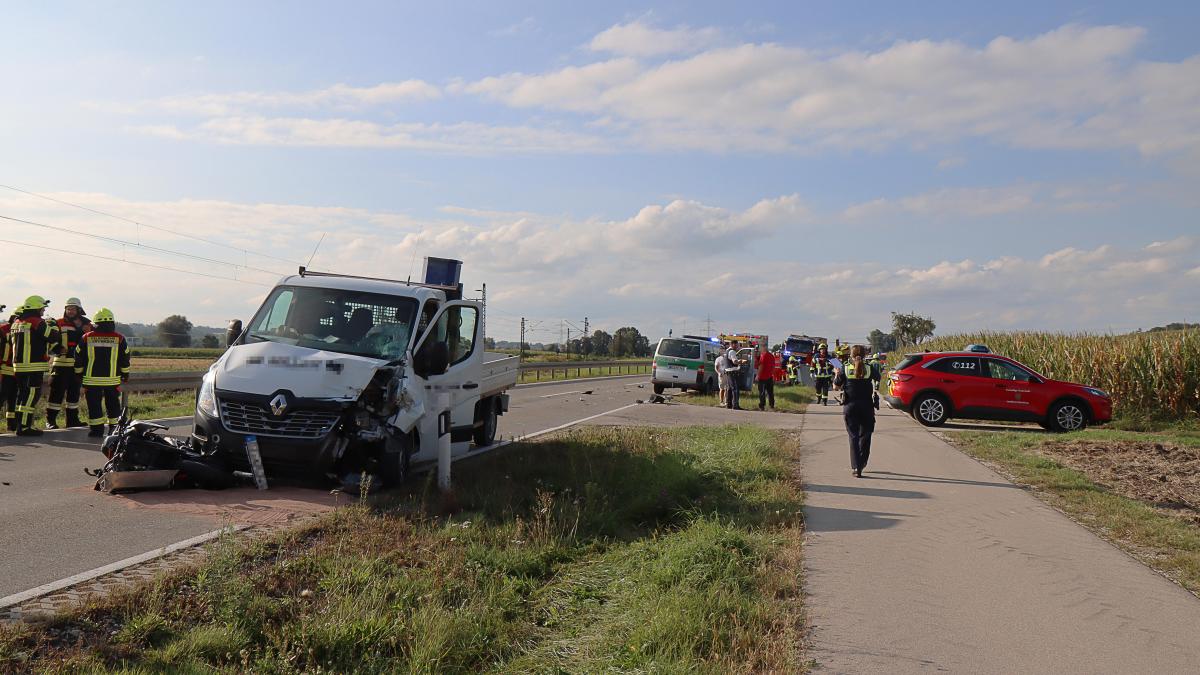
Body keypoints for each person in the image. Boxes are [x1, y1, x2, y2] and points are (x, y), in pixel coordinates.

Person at [74, 308, 131, 437]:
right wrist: (125, 374)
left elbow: (78, 357)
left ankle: (97, 430)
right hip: (112, 380)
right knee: (113, 406)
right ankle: (115, 431)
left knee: (94, 406)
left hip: (91, 380)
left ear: (95, 323)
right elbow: (125, 358)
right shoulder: (119, 338)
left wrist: (78, 374)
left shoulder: (87, 337)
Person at [9, 296, 60, 436]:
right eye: (42, 308)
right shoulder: (37, 322)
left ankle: (20, 424)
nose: (43, 311)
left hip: (18, 367)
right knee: (30, 396)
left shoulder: (16, 323)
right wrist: (53, 325)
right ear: (37, 308)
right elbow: (53, 336)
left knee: (22, 397)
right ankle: (25, 427)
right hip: (33, 366)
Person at [46, 298, 92, 429]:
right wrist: (57, 348)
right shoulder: (58, 323)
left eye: (73, 309)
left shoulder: (86, 325)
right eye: (68, 308)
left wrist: (86, 330)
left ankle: (72, 420)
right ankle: (50, 421)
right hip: (60, 365)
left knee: (74, 395)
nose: (70, 311)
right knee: (56, 394)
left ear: (79, 310)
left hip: (76, 367)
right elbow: (50, 339)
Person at [834, 345, 879, 477]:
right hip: (867, 407)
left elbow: (836, 387)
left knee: (853, 436)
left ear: (851, 356)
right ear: (865, 355)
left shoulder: (845, 368)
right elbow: (878, 378)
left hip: (850, 406)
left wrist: (837, 373)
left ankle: (856, 467)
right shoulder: (869, 368)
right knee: (866, 434)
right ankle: (863, 461)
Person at [0, 305, 16, 432]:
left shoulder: (25, 330)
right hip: (4, 370)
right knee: (2, 397)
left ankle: (11, 425)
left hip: (17, 370)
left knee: (14, 399)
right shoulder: (3, 329)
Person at [756, 345, 776, 411]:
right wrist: (771, 374)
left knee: (762, 392)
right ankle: (771, 405)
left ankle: (762, 405)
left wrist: (757, 376)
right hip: (769, 377)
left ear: (763, 348)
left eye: (760, 348)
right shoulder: (772, 356)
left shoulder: (763, 355)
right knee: (770, 392)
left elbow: (761, 366)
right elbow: (773, 367)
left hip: (762, 377)